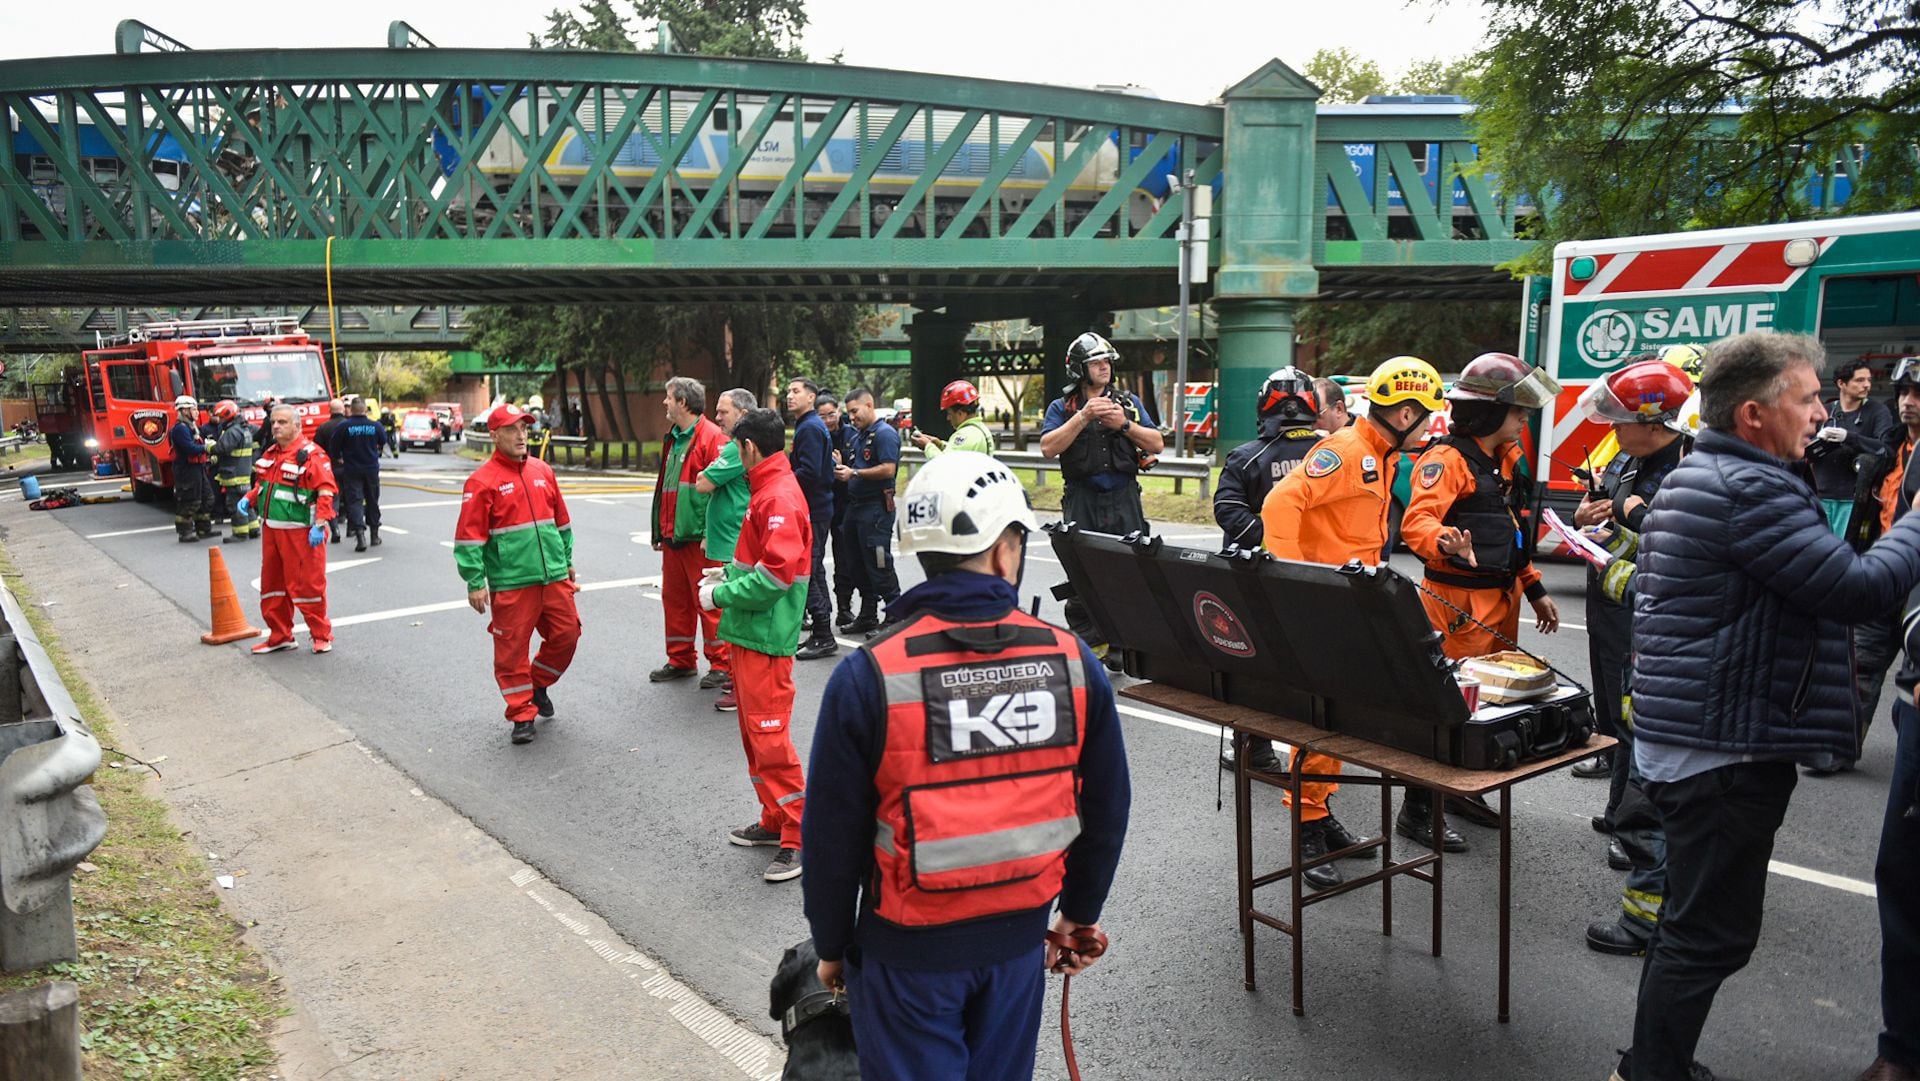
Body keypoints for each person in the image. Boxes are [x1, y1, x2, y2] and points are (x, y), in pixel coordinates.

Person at [1611, 331, 1920, 1081]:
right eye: (1807, 397)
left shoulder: (1710, 472)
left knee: (1692, 923)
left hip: (1703, 739)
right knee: (1708, 933)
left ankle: (1654, 1063)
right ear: (1753, 413)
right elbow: (1856, 588)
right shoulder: (1750, 488)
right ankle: (1651, 1069)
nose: (1822, 412)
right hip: (1723, 751)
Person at [802, 450, 1131, 1081]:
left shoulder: (869, 674)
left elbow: (831, 833)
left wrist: (832, 944)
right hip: (1017, 950)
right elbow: (1107, 803)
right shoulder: (1073, 663)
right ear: (1006, 548)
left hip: (906, 958)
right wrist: (1079, 914)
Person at [1261, 356, 1445, 878]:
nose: (1431, 424)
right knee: (1320, 721)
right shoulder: (1346, 451)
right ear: (1405, 412)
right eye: (1427, 414)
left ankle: (1319, 814)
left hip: (1352, 608)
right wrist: (1291, 583)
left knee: (1339, 718)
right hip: (1323, 610)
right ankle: (1307, 828)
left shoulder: (1380, 455)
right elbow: (1279, 506)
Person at [1400, 352, 1562, 850]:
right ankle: (1419, 808)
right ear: (1490, 414)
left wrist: (1533, 587)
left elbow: (1509, 531)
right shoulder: (1446, 460)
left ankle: (1462, 791)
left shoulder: (1506, 460)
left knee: (1490, 706)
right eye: (1518, 413)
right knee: (1450, 705)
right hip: (1458, 606)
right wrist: (1448, 540)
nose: (1523, 421)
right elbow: (1417, 522)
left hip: (1501, 602)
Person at [1566, 359, 1695, 957]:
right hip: (1647, 651)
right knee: (1634, 754)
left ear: (1654, 421)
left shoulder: (1688, 474)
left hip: (1668, 651)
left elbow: (1672, 573)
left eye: (1622, 420)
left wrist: (1618, 555)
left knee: (1658, 794)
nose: (1612, 428)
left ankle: (1649, 924)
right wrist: (1600, 527)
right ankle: (1654, 907)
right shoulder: (1639, 462)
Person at [700, 408, 812, 883]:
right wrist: (726, 573)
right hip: (752, 633)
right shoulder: (767, 489)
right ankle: (774, 820)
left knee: (769, 739)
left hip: (765, 637)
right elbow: (761, 562)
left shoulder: (777, 495)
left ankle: (800, 835)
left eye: (732, 445)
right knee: (755, 738)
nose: (729, 452)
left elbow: (774, 577)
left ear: (747, 447)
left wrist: (719, 594)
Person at [454, 403, 580, 746]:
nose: (521, 435)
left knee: (567, 636)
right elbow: (469, 537)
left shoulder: (542, 471)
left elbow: (562, 523)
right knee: (511, 652)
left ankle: (537, 683)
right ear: (494, 435)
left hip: (553, 576)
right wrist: (475, 581)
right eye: (512, 429)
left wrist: (566, 562)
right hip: (512, 582)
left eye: (524, 428)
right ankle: (521, 714)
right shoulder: (481, 482)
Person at [1039, 332, 1164, 659]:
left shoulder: (1128, 404)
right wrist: (1083, 418)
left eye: (1107, 361)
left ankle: (1128, 647)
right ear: (1080, 368)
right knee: (1083, 577)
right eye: (1096, 362)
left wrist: (1124, 425)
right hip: (1082, 499)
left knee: (1131, 572)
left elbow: (1156, 444)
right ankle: (1089, 648)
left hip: (1124, 498)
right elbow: (1048, 448)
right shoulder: (1062, 407)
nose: (1104, 367)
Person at [237, 404, 338, 655]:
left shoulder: (312, 455)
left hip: (302, 532)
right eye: (273, 422)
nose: (276, 427)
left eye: (282, 422)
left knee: (308, 587)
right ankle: (280, 635)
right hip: (273, 530)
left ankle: (321, 635)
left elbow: (326, 491)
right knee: (272, 585)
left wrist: (320, 525)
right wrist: (250, 497)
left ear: (296, 425)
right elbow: (264, 484)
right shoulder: (272, 453)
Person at [650, 377, 730, 687]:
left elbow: (719, 492)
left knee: (708, 601)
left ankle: (721, 663)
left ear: (683, 402)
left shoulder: (711, 438)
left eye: (668, 397)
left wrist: (711, 533)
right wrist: (660, 528)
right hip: (676, 536)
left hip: (698, 538)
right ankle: (680, 659)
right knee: (675, 600)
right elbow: (667, 488)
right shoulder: (675, 437)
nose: (665, 403)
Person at [1214, 366, 1326, 553]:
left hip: (1258, 570)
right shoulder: (1335, 454)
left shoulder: (1246, 458)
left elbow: (1227, 510)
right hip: (1324, 566)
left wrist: (1273, 539)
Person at [695, 387, 757, 712]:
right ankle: (736, 678)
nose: (717, 416)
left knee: (733, 613)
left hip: (737, 541)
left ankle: (738, 682)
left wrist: (708, 473)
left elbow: (704, 483)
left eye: (724, 411)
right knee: (729, 612)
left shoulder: (736, 449)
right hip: (728, 539)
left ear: (743, 415)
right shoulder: (734, 447)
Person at [835, 388, 902, 635]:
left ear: (869, 405)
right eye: (849, 412)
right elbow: (859, 465)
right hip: (856, 507)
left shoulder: (884, 434)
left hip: (876, 509)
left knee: (879, 560)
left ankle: (895, 612)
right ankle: (868, 613)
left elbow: (887, 469)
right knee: (857, 563)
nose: (852, 417)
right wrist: (845, 466)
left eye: (855, 411)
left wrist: (854, 473)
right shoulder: (859, 436)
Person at [1811, 359, 1896, 536]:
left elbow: (1887, 450)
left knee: (1843, 551)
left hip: (1853, 499)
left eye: (1869, 380)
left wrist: (1849, 437)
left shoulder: (1877, 412)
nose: (1866, 385)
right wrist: (1813, 441)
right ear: (1841, 383)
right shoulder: (1825, 412)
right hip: (1820, 496)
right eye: (1859, 380)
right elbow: (1799, 451)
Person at [787, 378, 840, 661]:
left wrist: (782, 481)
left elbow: (809, 472)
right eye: (788, 391)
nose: (789, 396)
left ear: (811, 397)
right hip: (816, 508)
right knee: (814, 568)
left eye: (795, 391)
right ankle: (821, 631)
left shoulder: (809, 427)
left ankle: (823, 635)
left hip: (814, 509)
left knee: (807, 570)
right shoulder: (808, 425)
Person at [817, 393, 863, 632]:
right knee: (814, 560)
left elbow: (859, 469)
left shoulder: (851, 436)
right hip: (822, 504)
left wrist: (844, 463)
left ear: (839, 412)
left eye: (831, 414)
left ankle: (844, 608)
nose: (827, 421)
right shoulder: (815, 434)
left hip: (846, 504)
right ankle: (817, 609)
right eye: (822, 416)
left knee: (844, 559)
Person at [329, 397, 386, 552]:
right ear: (365, 410)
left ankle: (360, 536)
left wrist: (339, 457)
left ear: (351, 410)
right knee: (372, 500)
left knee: (355, 502)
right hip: (371, 469)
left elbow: (333, 446)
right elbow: (383, 440)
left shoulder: (344, 426)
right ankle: (374, 535)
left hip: (351, 470)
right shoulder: (375, 426)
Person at [167, 395, 215, 542]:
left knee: (207, 498)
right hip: (186, 470)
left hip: (197, 468)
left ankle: (203, 529)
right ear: (184, 411)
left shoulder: (191, 427)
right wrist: (206, 447)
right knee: (189, 501)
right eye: (193, 409)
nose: (196, 412)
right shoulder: (180, 429)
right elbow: (189, 448)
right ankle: (185, 532)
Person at [210, 401, 259, 544]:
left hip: (234, 475)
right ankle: (253, 528)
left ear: (227, 415)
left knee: (234, 503)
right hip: (243, 474)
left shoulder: (233, 431)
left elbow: (222, 448)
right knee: (246, 502)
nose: (219, 421)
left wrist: (210, 448)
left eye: (221, 417)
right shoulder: (244, 429)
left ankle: (240, 533)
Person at [909, 379, 996, 458]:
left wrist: (927, 446)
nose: (948, 418)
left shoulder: (965, 435)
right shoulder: (980, 429)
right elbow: (961, 452)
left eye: (949, 413)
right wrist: (940, 445)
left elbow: (945, 464)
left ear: (960, 413)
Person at [313, 398, 348, 543]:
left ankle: (335, 529)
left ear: (330, 411)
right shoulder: (349, 426)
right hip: (349, 466)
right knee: (352, 496)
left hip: (330, 468)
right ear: (343, 410)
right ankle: (353, 528)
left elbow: (316, 449)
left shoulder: (323, 427)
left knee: (332, 498)